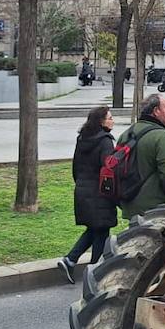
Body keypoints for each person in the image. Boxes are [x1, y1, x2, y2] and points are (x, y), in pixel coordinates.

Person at [58, 105, 116, 284]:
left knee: (95, 228)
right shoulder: (105, 141)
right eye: (110, 117)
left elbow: (75, 167)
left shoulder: (82, 139)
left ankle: (70, 259)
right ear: (101, 121)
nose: (112, 120)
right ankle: (95, 271)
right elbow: (108, 169)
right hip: (99, 192)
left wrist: (82, 184)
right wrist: (112, 192)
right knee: (102, 229)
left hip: (83, 189)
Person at [118, 94, 165, 223]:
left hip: (129, 201)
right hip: (154, 206)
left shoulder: (127, 133)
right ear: (156, 111)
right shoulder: (162, 137)